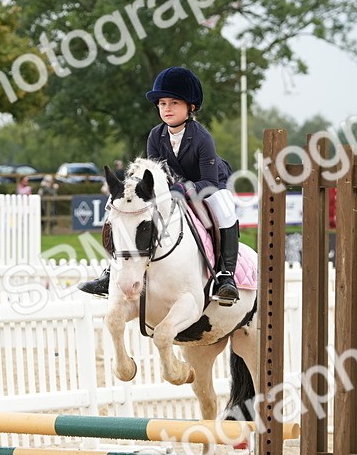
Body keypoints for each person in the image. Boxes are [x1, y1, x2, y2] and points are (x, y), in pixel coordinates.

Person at [79, 66, 240, 303]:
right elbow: (153, 174)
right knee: (123, 210)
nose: (167, 108)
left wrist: (184, 189)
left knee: (225, 207)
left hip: (207, 185)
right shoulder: (156, 135)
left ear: (190, 106)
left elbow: (210, 182)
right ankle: (112, 271)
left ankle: (226, 276)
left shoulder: (202, 138)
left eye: (174, 103)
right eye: (162, 103)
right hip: (171, 189)